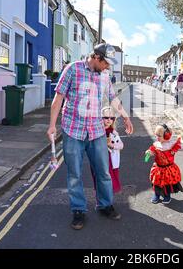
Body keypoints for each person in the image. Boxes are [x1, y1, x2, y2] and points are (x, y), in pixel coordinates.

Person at [47, 43, 134, 230]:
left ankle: (105, 205)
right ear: (96, 57)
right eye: (106, 63)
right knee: (74, 174)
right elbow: (59, 98)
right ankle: (78, 210)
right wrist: (52, 125)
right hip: (73, 130)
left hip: (96, 130)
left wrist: (126, 117)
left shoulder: (104, 76)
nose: (108, 67)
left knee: (103, 171)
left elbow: (113, 98)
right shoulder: (73, 69)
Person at [145, 124, 183, 205]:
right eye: (156, 135)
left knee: (167, 183)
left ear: (167, 135)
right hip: (158, 168)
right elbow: (150, 153)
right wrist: (148, 153)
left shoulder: (171, 144)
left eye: (159, 135)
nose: (157, 137)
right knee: (156, 182)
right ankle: (156, 194)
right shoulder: (156, 144)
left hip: (168, 168)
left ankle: (167, 195)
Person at [90, 106, 124, 194]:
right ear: (100, 118)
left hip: (110, 159)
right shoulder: (96, 131)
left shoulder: (113, 132)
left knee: (109, 178)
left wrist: (111, 145)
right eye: (106, 118)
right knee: (99, 178)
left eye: (112, 118)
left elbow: (121, 145)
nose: (109, 120)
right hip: (98, 158)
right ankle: (102, 200)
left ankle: (107, 199)